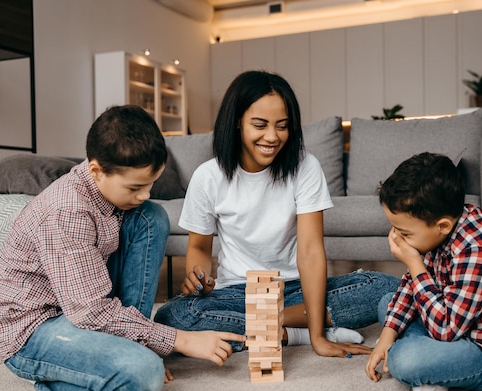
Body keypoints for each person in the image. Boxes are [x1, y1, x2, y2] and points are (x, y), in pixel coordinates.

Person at [0, 105, 245, 391]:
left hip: (78, 309)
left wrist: (145, 340)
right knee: (142, 376)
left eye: (151, 184)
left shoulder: (112, 196)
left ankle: (133, 343)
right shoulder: (68, 211)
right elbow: (92, 313)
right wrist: (182, 340)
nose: (144, 194)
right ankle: (54, 378)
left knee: (150, 216)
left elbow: (92, 306)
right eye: (135, 187)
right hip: (34, 330)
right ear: (97, 171)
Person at [154, 70, 399, 358]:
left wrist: (319, 339)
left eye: (281, 126)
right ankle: (295, 333)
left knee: (387, 287)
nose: (272, 137)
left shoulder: (305, 167)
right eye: (260, 125)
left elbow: (310, 251)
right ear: (236, 122)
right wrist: (198, 278)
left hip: (297, 290)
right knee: (174, 316)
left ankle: (287, 329)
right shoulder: (208, 176)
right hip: (239, 293)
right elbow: (198, 247)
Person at [365, 152, 482, 391]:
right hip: (460, 323)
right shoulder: (440, 230)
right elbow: (410, 287)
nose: (396, 239)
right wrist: (387, 335)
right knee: (389, 304)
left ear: (443, 226)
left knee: (405, 361)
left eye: (404, 233)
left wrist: (415, 264)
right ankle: (430, 361)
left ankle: (432, 366)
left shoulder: (478, 249)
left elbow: (446, 330)